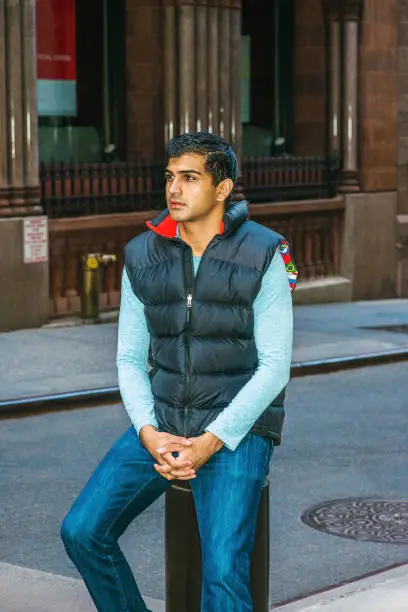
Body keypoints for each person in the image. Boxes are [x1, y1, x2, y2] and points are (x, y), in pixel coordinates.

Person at [61, 132, 296, 612]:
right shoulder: (141, 255)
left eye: (190, 178)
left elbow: (274, 367)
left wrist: (212, 439)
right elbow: (129, 358)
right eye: (170, 177)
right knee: (83, 531)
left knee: (225, 572)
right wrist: (149, 432)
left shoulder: (265, 253)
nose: (175, 189)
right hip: (164, 419)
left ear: (223, 188)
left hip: (237, 430)